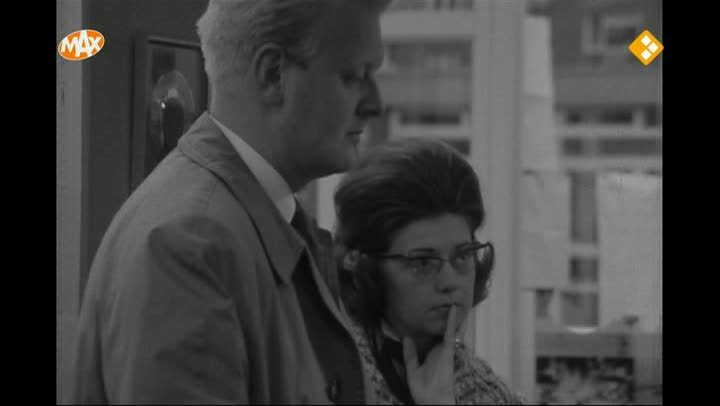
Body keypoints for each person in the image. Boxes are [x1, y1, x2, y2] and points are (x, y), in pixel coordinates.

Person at [68, 0, 388, 403]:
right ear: (273, 74)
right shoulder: (191, 248)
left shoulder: (248, 225)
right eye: (352, 76)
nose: (375, 103)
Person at [334, 139, 525, 404]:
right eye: (423, 262)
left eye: (463, 255)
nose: (450, 281)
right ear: (365, 266)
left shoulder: (492, 394)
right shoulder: (326, 374)